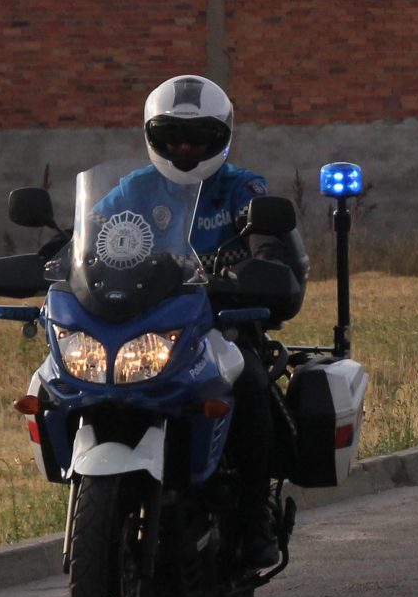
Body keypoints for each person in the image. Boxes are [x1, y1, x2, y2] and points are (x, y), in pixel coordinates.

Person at [100, 76, 294, 570]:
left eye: (198, 138)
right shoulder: (133, 189)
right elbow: (89, 237)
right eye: (172, 137)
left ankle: (254, 517)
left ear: (222, 136)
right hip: (148, 325)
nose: (184, 148)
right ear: (152, 135)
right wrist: (56, 259)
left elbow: (266, 242)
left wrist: (259, 266)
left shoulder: (241, 187)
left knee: (249, 383)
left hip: (223, 325)